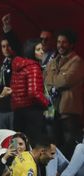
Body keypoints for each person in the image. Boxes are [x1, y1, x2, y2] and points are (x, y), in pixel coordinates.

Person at [44, 30, 84, 158]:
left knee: (70, 145)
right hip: (52, 110)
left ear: (71, 44)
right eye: (58, 42)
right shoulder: (53, 61)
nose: (60, 45)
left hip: (69, 112)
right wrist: (56, 79)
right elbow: (45, 80)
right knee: (53, 144)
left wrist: (55, 79)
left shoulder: (77, 61)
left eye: (64, 42)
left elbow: (65, 80)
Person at [10, 39, 49, 144]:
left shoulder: (17, 66)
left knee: (20, 144)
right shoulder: (33, 67)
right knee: (35, 144)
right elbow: (34, 92)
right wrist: (47, 103)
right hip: (32, 112)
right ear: (31, 51)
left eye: (42, 49)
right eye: (38, 49)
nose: (42, 52)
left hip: (17, 111)